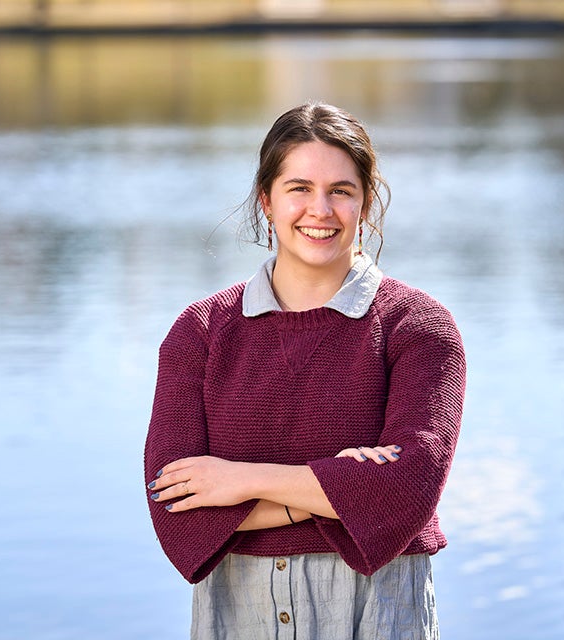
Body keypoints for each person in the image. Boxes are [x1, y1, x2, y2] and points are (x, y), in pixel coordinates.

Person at [144, 102, 466, 639]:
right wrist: (342, 490)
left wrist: (238, 480)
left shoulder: (418, 326)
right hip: (236, 612)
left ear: (365, 203)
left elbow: (407, 491)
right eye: (299, 188)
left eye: (341, 190)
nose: (320, 209)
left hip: (377, 610)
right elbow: (176, 512)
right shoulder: (199, 332)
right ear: (267, 200)